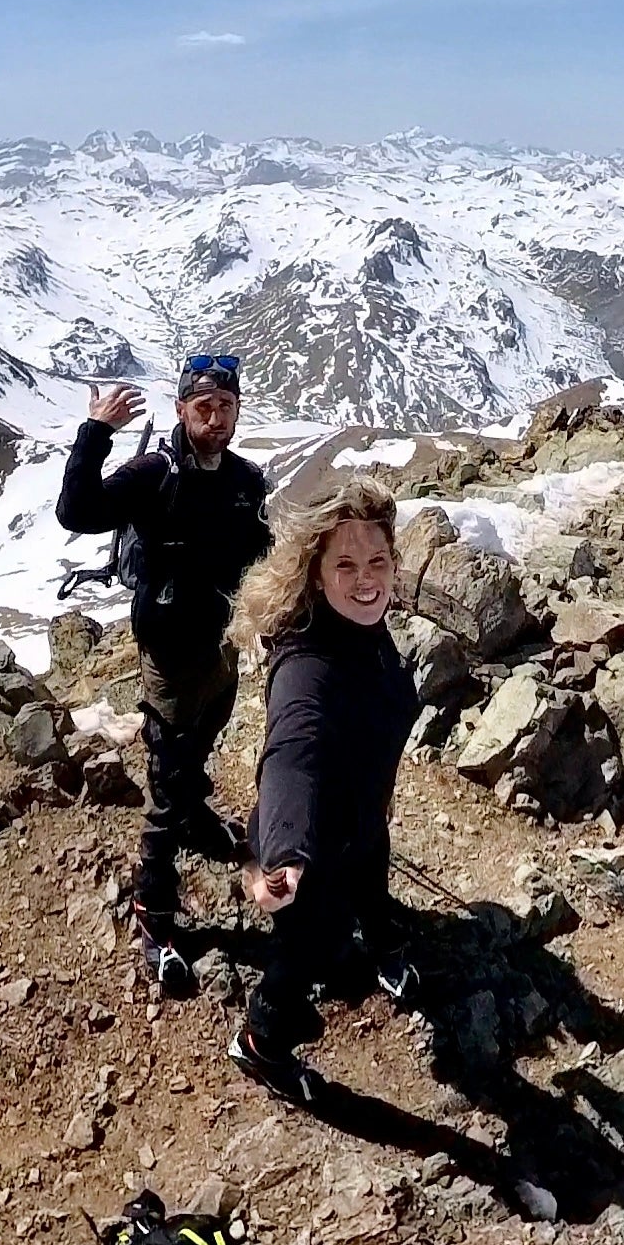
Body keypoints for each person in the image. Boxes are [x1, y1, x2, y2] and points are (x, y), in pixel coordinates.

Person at [57, 350, 272, 992]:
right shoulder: (156, 473)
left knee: (201, 744)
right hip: (169, 655)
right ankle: (155, 914)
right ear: (181, 409)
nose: (216, 417)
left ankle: (197, 819)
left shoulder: (243, 482)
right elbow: (79, 512)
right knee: (166, 783)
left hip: (221, 647)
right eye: (203, 405)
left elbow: (260, 555)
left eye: (226, 406)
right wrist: (96, 433)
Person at [228, 483, 420, 1095]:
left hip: (360, 818)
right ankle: (262, 1041)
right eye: (345, 564)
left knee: (372, 872)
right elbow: (293, 753)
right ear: (315, 573)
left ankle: (383, 944)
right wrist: (284, 853)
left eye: (377, 563)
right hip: (309, 844)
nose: (366, 579)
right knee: (306, 946)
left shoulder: (365, 629)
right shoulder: (308, 664)